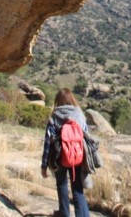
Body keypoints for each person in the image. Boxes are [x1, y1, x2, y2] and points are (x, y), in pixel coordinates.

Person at [41, 88, 90, 217]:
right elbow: (87, 136)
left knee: (61, 184)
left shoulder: (55, 115)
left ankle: (64, 213)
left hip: (59, 156)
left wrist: (44, 165)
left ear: (58, 101)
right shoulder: (79, 114)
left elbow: (47, 142)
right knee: (77, 188)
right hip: (77, 156)